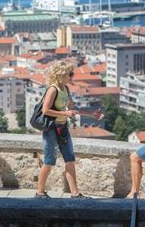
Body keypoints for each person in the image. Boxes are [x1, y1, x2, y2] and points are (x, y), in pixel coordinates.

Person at [36, 61, 102, 199]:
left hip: (63, 128)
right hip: (51, 129)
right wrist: (64, 114)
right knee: (49, 160)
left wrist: (91, 114)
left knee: (70, 159)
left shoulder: (65, 89)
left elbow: (72, 109)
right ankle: (40, 192)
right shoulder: (52, 89)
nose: (71, 77)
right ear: (61, 75)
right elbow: (45, 110)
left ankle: (75, 194)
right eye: (69, 74)